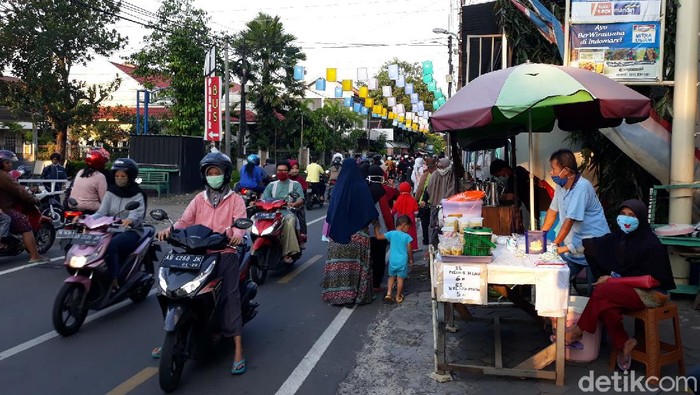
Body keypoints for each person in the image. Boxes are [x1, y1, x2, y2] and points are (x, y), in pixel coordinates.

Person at [153, 151, 248, 374]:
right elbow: (185, 220)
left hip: (224, 252)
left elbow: (240, 225)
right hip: (196, 251)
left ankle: (238, 348)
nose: (214, 176)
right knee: (170, 287)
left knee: (229, 296)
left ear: (225, 175)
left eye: (217, 172)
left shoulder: (235, 200)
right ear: (205, 176)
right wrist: (169, 230)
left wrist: (236, 235)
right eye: (210, 172)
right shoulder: (199, 198)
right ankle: (171, 333)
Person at [564, 200, 675, 371]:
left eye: (632, 215)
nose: (626, 219)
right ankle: (625, 342)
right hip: (628, 289)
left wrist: (613, 280)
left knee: (604, 290)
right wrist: (570, 247)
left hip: (652, 294)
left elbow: (652, 280)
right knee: (606, 302)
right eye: (623, 214)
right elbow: (597, 245)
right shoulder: (620, 238)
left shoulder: (651, 244)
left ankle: (578, 331)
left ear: (642, 218)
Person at [541, 149, 610, 289]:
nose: (551, 172)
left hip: (594, 248)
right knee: (554, 282)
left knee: (595, 293)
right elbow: (552, 212)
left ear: (565, 170)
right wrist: (539, 236)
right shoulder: (561, 186)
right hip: (574, 249)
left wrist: (554, 245)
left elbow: (569, 220)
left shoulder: (582, 187)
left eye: (553, 169)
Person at [321, 158, 378, 306]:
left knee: (338, 266)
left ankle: (337, 295)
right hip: (358, 237)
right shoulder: (361, 185)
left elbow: (330, 214)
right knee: (357, 267)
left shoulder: (338, 187)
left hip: (337, 238)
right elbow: (370, 211)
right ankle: (356, 295)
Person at [92, 158, 147, 291]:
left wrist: (130, 220)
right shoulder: (111, 192)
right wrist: (86, 219)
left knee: (113, 245)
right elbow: (101, 212)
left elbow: (137, 213)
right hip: (110, 229)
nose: (119, 178)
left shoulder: (137, 194)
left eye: (123, 176)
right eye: (117, 176)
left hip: (131, 231)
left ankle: (114, 279)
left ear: (130, 177)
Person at [0, 150, 46, 263]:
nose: (10, 164)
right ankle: (35, 256)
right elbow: (19, 191)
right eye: (8, 163)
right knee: (25, 224)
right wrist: (34, 199)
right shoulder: (4, 176)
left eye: (10, 162)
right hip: (5, 209)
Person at [489, 158, 552, 230]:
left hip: (541, 202)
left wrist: (500, 197)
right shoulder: (512, 178)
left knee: (546, 225)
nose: (502, 176)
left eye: (499, 174)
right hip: (533, 205)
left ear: (503, 168)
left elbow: (515, 195)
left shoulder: (518, 172)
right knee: (541, 224)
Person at [261, 160, 305, 263]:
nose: (281, 172)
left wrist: (294, 203)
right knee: (254, 221)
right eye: (279, 170)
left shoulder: (295, 184)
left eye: (284, 170)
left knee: (289, 222)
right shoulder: (271, 185)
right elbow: (263, 198)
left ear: (289, 172)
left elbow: (300, 199)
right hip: (271, 213)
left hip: (287, 212)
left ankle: (287, 252)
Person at [367, 165, 398, 291]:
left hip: (366, 230)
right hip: (381, 230)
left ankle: (365, 282)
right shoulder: (383, 191)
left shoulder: (364, 189)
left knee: (368, 257)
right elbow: (387, 212)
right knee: (380, 257)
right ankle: (376, 284)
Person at [374, 215, 413, 304]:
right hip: (402, 261)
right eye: (408, 227)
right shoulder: (407, 237)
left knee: (391, 277)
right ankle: (398, 296)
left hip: (393, 260)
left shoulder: (391, 233)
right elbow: (409, 249)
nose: (408, 229)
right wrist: (411, 259)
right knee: (400, 278)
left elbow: (378, 237)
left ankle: (389, 293)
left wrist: (376, 228)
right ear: (403, 225)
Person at [425, 157, 456, 246]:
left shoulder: (434, 174)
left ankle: (433, 247)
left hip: (434, 205)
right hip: (447, 207)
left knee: (433, 227)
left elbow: (429, 189)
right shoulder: (451, 175)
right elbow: (452, 191)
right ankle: (445, 247)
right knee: (447, 228)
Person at [67, 149, 108, 213]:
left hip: (72, 204)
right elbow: (104, 199)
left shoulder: (80, 172)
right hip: (89, 208)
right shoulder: (100, 176)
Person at [392, 182, 419, 250]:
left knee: (401, 235)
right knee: (410, 235)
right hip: (410, 220)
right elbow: (416, 211)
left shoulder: (399, 199)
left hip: (401, 220)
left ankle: (402, 248)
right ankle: (411, 249)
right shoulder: (412, 199)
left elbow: (394, 210)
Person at [415, 158, 436, 246]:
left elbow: (420, 188)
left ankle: (426, 239)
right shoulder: (437, 174)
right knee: (433, 223)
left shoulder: (426, 175)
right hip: (434, 202)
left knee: (424, 222)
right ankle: (432, 239)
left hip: (424, 202)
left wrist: (417, 199)